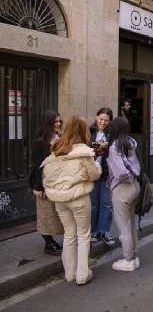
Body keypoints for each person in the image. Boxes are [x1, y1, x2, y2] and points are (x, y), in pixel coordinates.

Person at [42, 116, 101, 285]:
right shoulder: (84, 152)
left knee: (69, 235)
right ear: (84, 131)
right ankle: (82, 274)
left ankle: (69, 273)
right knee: (83, 235)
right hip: (79, 198)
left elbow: (48, 175)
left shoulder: (57, 151)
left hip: (60, 199)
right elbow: (94, 175)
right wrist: (98, 166)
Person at [106, 117, 142, 271]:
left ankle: (128, 260)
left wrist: (125, 177)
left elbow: (120, 173)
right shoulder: (131, 142)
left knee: (123, 227)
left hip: (122, 189)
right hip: (135, 186)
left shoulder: (115, 147)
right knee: (131, 224)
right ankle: (133, 255)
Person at [29, 110, 64, 256]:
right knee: (45, 213)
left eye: (59, 121)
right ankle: (48, 243)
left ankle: (51, 242)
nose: (58, 124)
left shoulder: (58, 137)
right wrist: (37, 187)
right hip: (43, 181)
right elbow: (37, 165)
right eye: (55, 121)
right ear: (48, 123)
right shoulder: (41, 142)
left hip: (56, 181)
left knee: (55, 213)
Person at [89, 108, 115, 246]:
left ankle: (104, 231)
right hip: (92, 173)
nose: (103, 122)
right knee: (93, 204)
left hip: (106, 173)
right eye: (101, 119)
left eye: (106, 120)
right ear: (96, 118)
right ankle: (93, 231)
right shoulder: (89, 132)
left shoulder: (112, 134)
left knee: (106, 203)